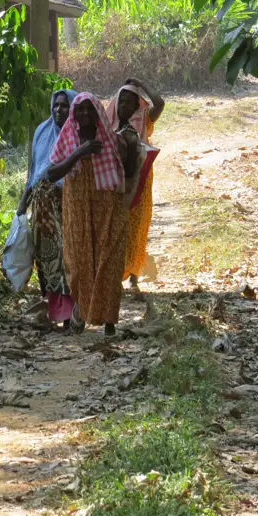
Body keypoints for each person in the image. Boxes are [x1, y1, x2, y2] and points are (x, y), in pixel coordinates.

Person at [47, 93, 138, 336]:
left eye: (90, 110)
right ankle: (82, 309)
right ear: (74, 114)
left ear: (98, 113)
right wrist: (79, 152)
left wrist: (130, 147)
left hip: (107, 207)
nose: (85, 115)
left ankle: (109, 323)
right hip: (77, 207)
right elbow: (52, 173)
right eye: (81, 110)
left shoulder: (111, 139)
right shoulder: (68, 138)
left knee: (107, 261)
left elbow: (127, 172)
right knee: (77, 263)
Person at [17, 89, 78, 330]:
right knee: (47, 259)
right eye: (56, 105)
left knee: (68, 257)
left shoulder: (77, 133)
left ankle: (74, 311)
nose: (58, 110)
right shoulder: (42, 132)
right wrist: (24, 201)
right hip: (42, 207)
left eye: (64, 106)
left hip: (68, 204)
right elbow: (33, 170)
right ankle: (57, 312)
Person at [106, 78, 165, 288]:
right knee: (117, 226)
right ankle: (117, 272)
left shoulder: (144, 120)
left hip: (140, 179)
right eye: (121, 101)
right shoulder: (107, 123)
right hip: (115, 181)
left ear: (136, 105)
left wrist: (141, 84)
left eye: (129, 102)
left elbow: (160, 103)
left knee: (137, 225)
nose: (124, 106)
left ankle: (133, 275)